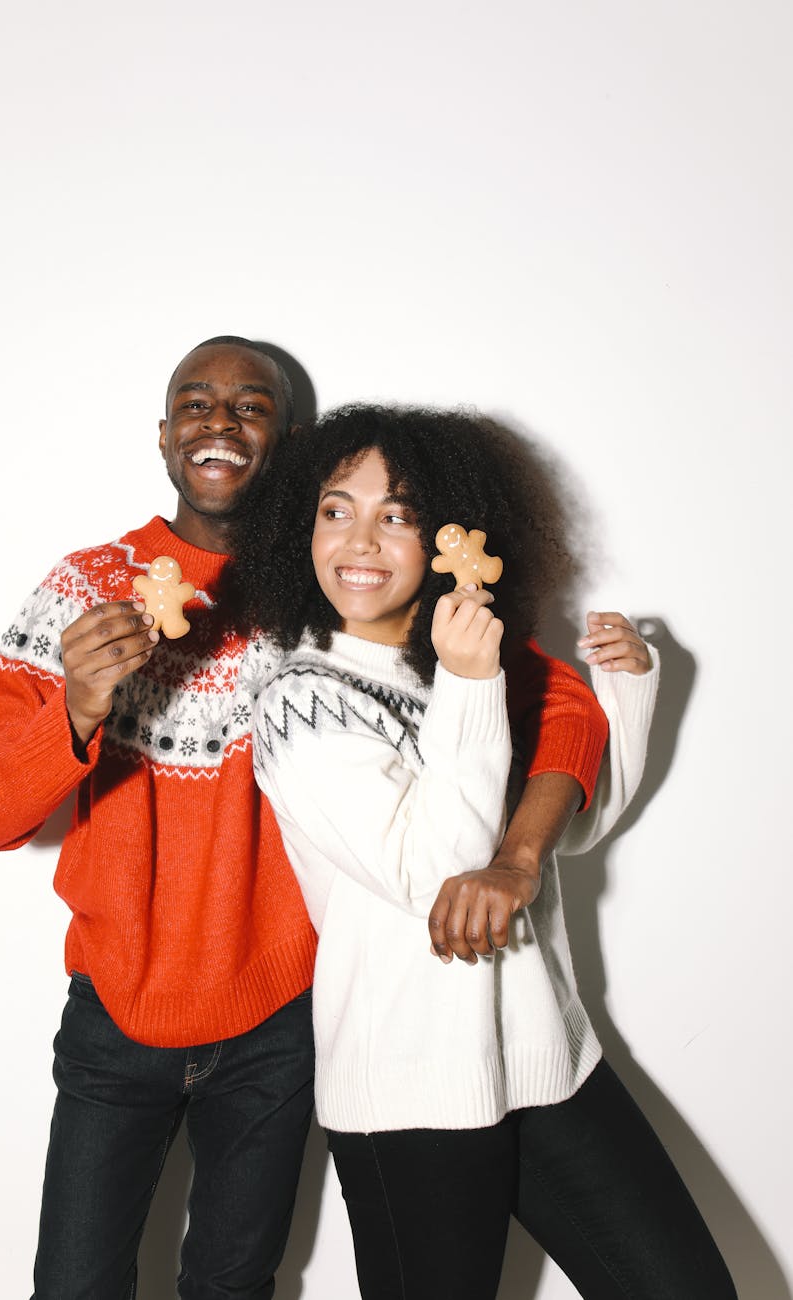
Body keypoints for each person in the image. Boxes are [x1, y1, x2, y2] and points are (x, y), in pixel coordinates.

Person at [0, 339, 611, 1300]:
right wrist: (75, 710)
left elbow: (559, 704)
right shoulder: (86, 588)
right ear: (164, 435)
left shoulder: (339, 586)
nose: (220, 422)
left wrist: (518, 855)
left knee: (234, 1281)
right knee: (71, 1286)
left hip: (281, 1021)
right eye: (195, 403)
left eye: (250, 407)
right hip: (116, 1013)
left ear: (285, 443)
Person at [241, 403, 737, 1299]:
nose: (359, 538)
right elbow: (435, 871)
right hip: (410, 1088)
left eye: (396, 513)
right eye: (334, 509)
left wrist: (625, 695)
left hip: (544, 1062)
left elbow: (562, 839)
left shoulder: (461, 664)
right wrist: (473, 689)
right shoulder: (299, 700)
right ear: (299, 529)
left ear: (446, 535)